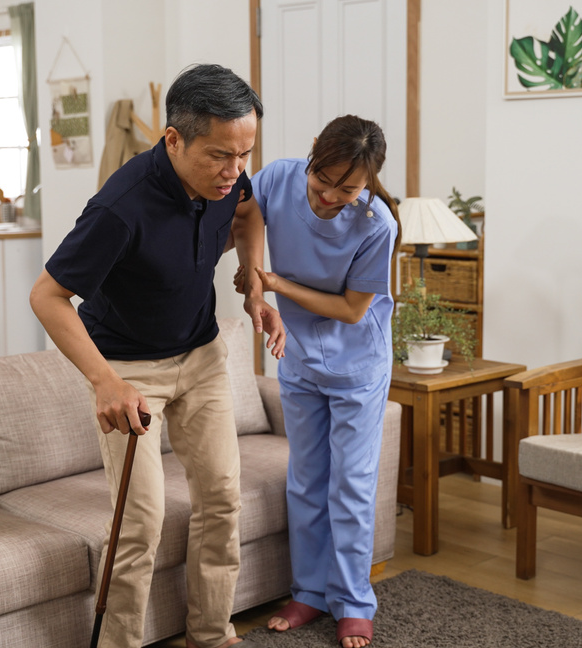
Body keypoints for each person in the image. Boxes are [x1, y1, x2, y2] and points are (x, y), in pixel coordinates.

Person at [29, 63, 285, 648]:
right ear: (174, 139)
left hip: (201, 357)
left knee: (223, 497)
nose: (235, 170)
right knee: (140, 522)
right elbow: (47, 297)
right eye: (220, 155)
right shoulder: (120, 207)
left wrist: (253, 286)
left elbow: (247, 212)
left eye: (245, 153)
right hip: (129, 370)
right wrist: (104, 382)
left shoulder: (227, 182)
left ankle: (211, 635)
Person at [230, 115, 398, 648]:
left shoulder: (377, 226)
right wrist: (254, 275)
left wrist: (276, 282)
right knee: (305, 479)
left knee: (349, 483)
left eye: (346, 189)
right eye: (321, 181)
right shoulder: (279, 177)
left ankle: (353, 602)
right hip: (299, 358)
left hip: (358, 366)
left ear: (368, 182)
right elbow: (246, 210)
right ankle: (308, 593)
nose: (328, 196)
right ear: (310, 158)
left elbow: (351, 310)